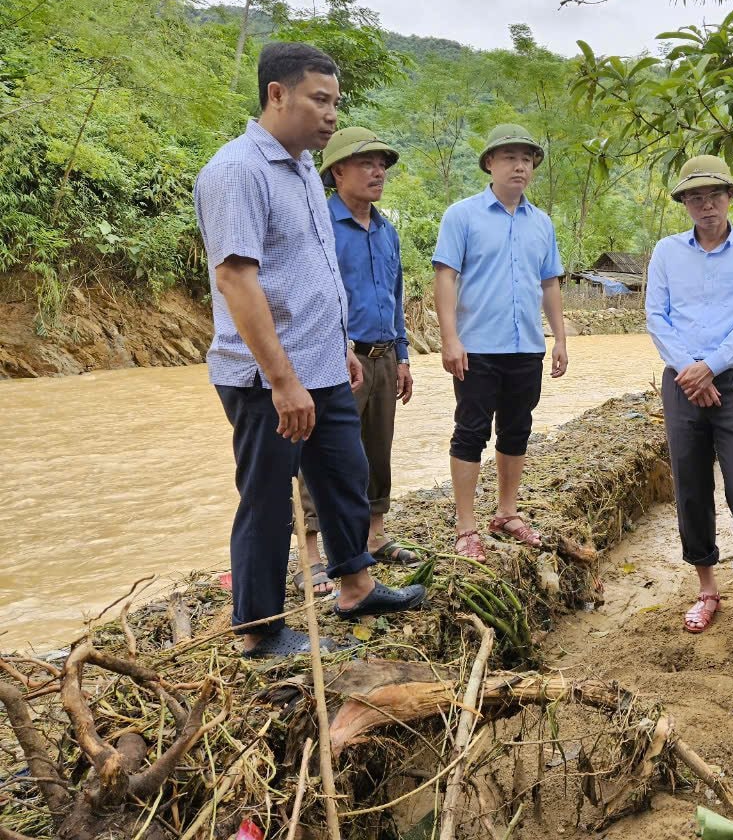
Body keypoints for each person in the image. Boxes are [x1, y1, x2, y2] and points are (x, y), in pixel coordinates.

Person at [194, 42, 424, 658]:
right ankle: (260, 629)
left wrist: (340, 344)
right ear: (277, 95)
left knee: (345, 475)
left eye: (335, 102)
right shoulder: (236, 172)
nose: (331, 114)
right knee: (268, 496)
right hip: (265, 377)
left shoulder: (299, 170)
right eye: (319, 100)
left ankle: (356, 585)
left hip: (324, 363)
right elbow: (237, 280)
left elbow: (313, 271)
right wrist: (283, 379)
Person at [646, 155, 733, 637]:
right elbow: (656, 317)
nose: (706, 205)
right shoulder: (666, 252)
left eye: (714, 195)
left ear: (730, 198)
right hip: (682, 385)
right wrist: (689, 371)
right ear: (684, 203)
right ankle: (706, 587)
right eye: (695, 197)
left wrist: (711, 367)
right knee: (691, 488)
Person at [292, 126, 419, 598]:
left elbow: (394, 294)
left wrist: (403, 355)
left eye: (382, 164)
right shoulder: (321, 225)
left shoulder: (386, 231)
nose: (377, 171)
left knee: (376, 448)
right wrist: (335, 346)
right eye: (366, 163)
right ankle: (311, 555)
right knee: (324, 455)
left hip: (383, 356)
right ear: (337, 171)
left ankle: (375, 534)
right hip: (336, 359)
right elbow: (312, 293)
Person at [431, 123, 568, 563]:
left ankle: (507, 512)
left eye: (527, 159)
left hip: (526, 346)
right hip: (477, 347)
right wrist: (449, 339)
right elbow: (445, 277)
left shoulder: (541, 223)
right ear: (490, 163)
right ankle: (466, 524)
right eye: (509, 157)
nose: (519, 166)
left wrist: (560, 338)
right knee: (471, 431)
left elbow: (549, 284)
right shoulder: (462, 215)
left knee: (517, 428)